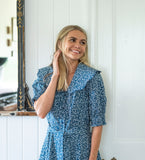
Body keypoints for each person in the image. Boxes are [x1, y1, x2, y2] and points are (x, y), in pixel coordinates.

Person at [32, 25, 107, 160]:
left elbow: (97, 122)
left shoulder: (92, 77)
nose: (78, 45)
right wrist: (55, 75)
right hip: (53, 147)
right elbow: (41, 112)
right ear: (60, 43)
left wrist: (93, 157)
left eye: (82, 42)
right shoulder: (45, 75)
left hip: (82, 148)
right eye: (72, 40)